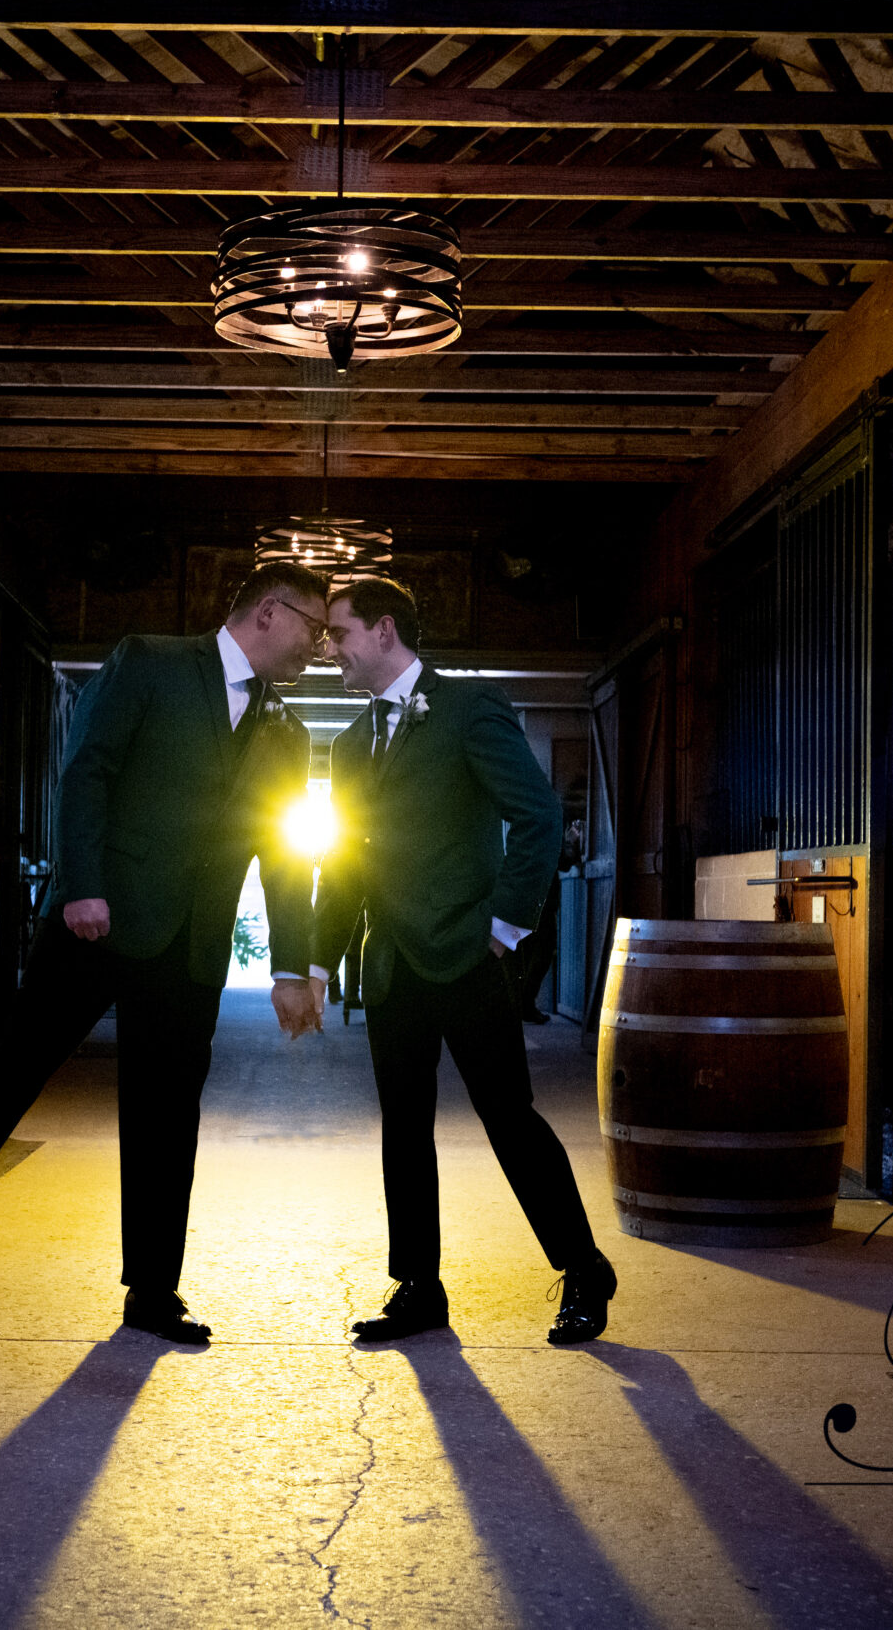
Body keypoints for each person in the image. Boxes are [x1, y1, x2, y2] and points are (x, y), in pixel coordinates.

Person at [0, 563, 329, 1343]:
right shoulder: (149, 662)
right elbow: (87, 771)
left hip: (189, 946)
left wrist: (292, 964)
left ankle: (152, 1292)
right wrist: (82, 883)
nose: (318, 647)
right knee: (11, 1073)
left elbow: (286, 854)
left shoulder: (285, 731)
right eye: (313, 628)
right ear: (267, 610)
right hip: (97, 920)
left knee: (166, 1113)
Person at [275, 576, 616, 1346]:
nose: (329, 649)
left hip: (467, 959)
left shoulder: (466, 710)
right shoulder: (352, 742)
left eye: (339, 633)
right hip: (391, 966)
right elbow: (350, 861)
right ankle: (419, 1286)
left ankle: (584, 1268)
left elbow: (536, 814)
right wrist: (321, 964)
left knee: (509, 1119)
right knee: (404, 1125)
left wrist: (500, 927)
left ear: (384, 629)